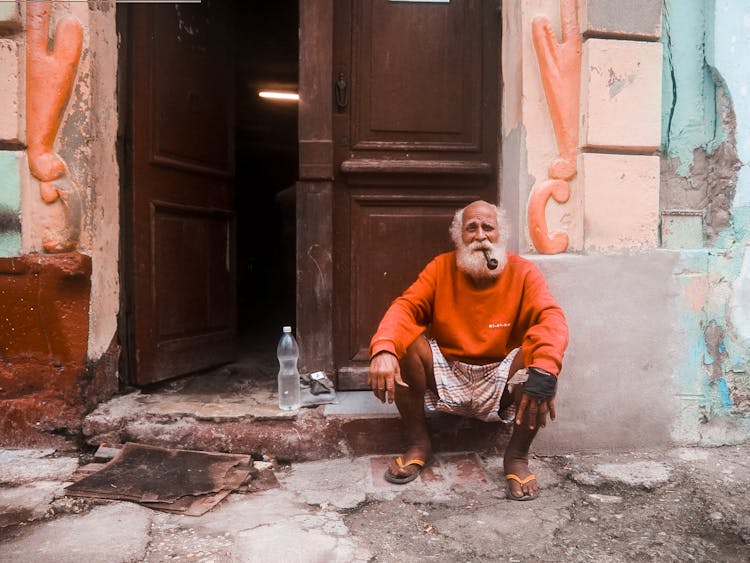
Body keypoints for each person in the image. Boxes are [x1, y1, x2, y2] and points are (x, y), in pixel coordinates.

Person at [368, 200, 568, 500]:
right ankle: (419, 443)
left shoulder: (524, 272)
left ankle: (516, 456)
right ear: (459, 236)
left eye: (488, 227)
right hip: (447, 369)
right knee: (405, 342)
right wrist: (383, 349)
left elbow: (550, 318)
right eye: (471, 228)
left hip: (500, 374)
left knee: (539, 365)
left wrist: (546, 368)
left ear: (501, 234)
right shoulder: (440, 267)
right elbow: (406, 308)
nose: (480, 235)